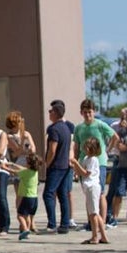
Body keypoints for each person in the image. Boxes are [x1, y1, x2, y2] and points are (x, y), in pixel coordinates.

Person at [71, 99, 117, 227]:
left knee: (99, 192)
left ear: (94, 112)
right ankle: (91, 222)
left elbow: (115, 137)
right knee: (88, 193)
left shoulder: (100, 125)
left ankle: (102, 221)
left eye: (90, 112)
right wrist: (75, 164)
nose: (87, 115)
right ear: (81, 113)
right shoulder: (79, 128)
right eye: (85, 112)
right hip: (83, 162)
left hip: (99, 162)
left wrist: (108, 150)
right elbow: (76, 146)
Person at [70, 137, 109, 245]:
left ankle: (95, 236)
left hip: (93, 187)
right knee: (94, 212)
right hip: (88, 187)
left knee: (93, 214)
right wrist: (75, 166)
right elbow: (80, 172)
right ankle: (103, 236)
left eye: (88, 147)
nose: (85, 149)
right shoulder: (86, 158)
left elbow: (86, 173)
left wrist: (76, 163)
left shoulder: (93, 159)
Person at [43, 99, 75, 233]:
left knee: (48, 194)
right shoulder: (66, 128)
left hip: (56, 166)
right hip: (65, 166)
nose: (49, 113)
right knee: (63, 195)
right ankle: (64, 224)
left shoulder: (54, 129)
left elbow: (52, 149)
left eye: (50, 111)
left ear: (55, 113)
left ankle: (52, 224)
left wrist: (47, 163)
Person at [15, 153, 42, 240]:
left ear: (29, 164)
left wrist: (4, 167)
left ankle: (25, 229)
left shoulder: (25, 173)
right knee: (27, 216)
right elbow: (22, 169)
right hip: (34, 198)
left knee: (20, 215)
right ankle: (27, 232)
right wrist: (12, 164)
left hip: (27, 197)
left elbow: (14, 172)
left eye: (26, 162)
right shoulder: (35, 172)